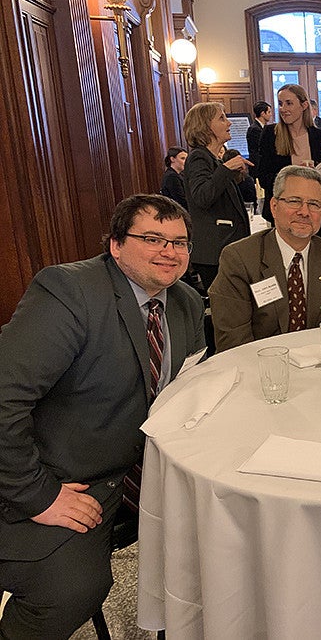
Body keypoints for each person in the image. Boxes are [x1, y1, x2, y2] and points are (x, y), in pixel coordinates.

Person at [0, 194, 205, 639]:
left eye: (180, 242)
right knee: (70, 590)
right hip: (61, 475)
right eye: (153, 239)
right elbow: (3, 399)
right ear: (115, 244)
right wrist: (40, 495)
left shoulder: (186, 303)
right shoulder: (69, 292)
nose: (169, 252)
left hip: (139, 469)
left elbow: (188, 392)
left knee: (217, 543)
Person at [209, 165, 321, 352]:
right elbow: (234, 344)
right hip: (259, 371)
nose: (304, 212)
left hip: (320, 369)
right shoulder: (240, 259)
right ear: (274, 207)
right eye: (294, 201)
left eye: (314, 204)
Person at [182, 102, 251, 291]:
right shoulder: (198, 157)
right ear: (205, 126)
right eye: (222, 118)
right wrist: (226, 169)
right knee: (225, 306)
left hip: (224, 248)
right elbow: (202, 196)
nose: (228, 123)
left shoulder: (213, 159)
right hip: (214, 251)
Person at [257, 84, 321, 236]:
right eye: (280, 104)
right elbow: (263, 177)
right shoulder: (270, 134)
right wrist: (294, 176)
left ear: (304, 105)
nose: (283, 109)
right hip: (284, 213)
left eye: (289, 103)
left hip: (314, 213)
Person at [246, 100, 272, 176]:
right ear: (263, 113)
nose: (270, 115)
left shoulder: (261, 127)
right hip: (257, 166)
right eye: (269, 112)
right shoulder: (254, 129)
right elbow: (259, 148)